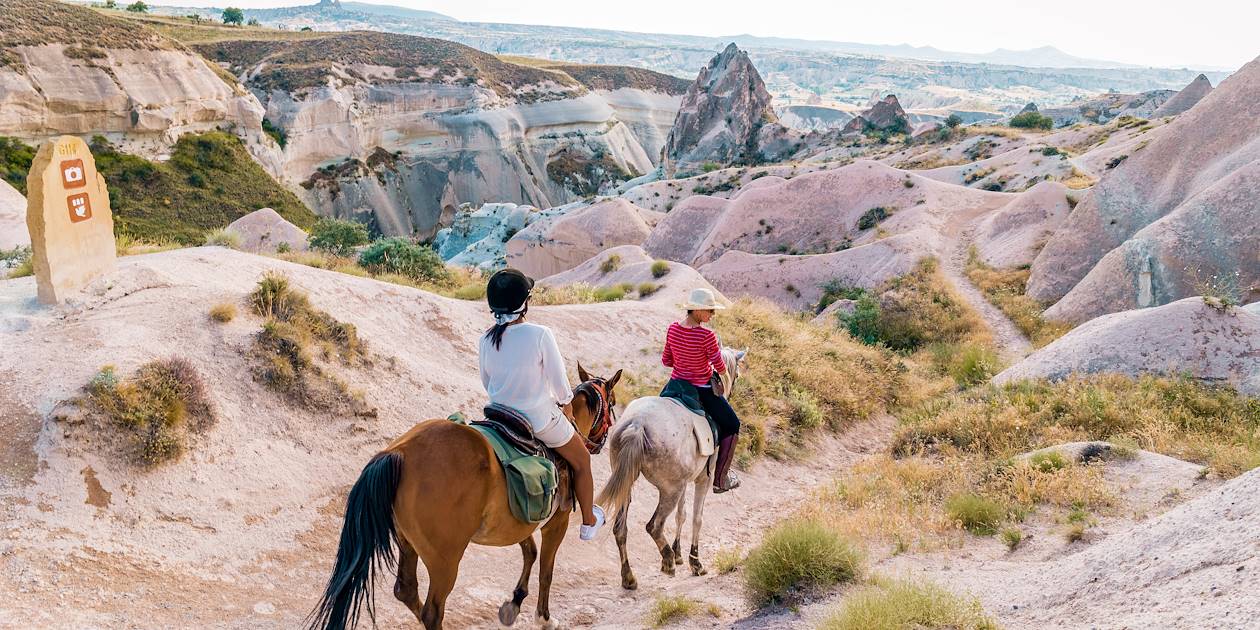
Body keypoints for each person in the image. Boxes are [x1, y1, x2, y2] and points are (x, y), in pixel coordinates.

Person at [478, 268, 604, 540]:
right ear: (526, 303)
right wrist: (567, 404)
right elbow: (560, 383)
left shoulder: (485, 338)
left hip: (498, 416)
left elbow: (486, 382)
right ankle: (588, 521)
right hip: (537, 418)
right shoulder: (540, 334)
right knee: (582, 459)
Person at [661, 288, 742, 493]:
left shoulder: (672, 328)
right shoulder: (707, 336)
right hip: (701, 389)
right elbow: (722, 367)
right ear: (697, 311)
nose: (712, 315)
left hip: (675, 386)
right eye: (710, 310)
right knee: (733, 424)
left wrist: (684, 362)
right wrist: (709, 367)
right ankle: (721, 479)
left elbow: (666, 360)